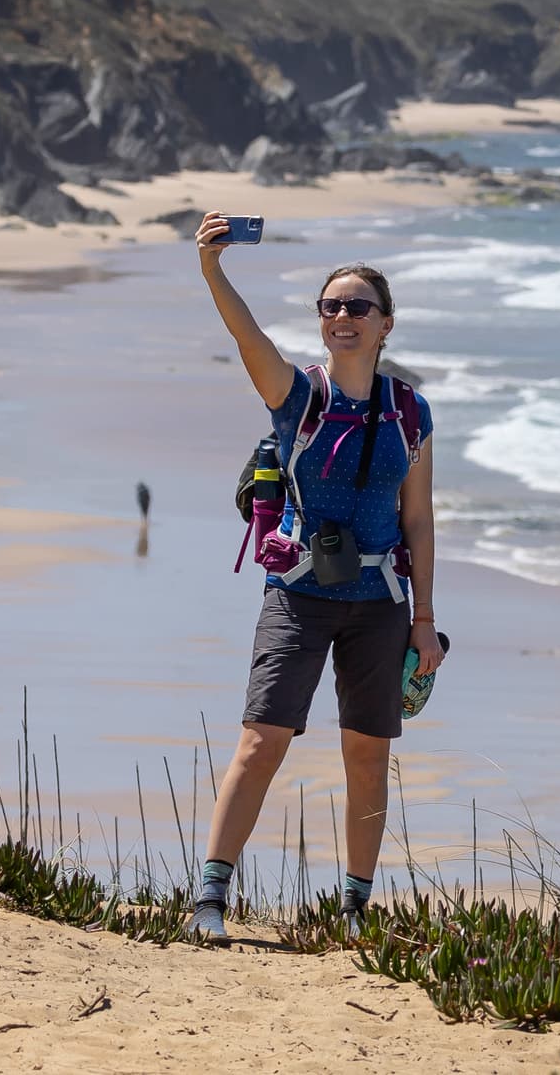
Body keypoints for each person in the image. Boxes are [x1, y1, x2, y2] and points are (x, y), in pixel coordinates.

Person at [188, 210, 443, 942]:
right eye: (330, 307)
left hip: (379, 602)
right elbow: (247, 337)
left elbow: (419, 520)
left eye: (358, 307)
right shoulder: (298, 396)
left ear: (386, 324)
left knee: (368, 756)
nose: (342, 317)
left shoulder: (409, 412)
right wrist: (213, 269)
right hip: (298, 593)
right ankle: (210, 898)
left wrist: (424, 620)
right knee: (262, 741)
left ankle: (356, 910)